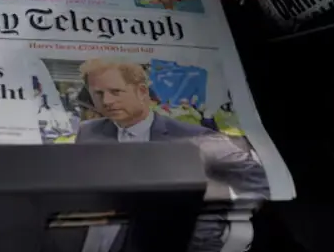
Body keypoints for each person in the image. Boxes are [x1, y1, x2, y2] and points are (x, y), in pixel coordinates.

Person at [75, 59, 269, 198]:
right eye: (98, 94)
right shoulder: (88, 132)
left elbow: (261, 184)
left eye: (116, 92)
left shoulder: (197, 139)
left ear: (142, 91)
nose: (107, 101)